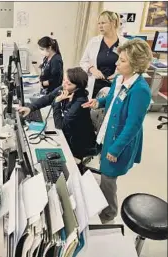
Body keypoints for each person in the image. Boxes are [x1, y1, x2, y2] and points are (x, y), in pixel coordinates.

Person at [82, 38, 153, 223]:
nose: (116, 63)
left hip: (120, 141)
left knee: (108, 179)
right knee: (105, 174)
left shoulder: (140, 90)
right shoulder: (120, 78)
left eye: (122, 61)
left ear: (136, 64)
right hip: (109, 133)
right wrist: (98, 102)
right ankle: (103, 207)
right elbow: (112, 99)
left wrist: (115, 149)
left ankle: (108, 216)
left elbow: (133, 125)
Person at [18, 67, 96, 159]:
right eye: (64, 80)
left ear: (78, 87)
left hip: (79, 141)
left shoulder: (80, 102)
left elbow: (59, 125)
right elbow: (49, 98)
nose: (64, 84)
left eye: (68, 83)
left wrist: (57, 102)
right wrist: (30, 108)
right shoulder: (65, 88)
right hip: (68, 132)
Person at [80, 10, 127, 99]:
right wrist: (92, 69)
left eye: (103, 23)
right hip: (95, 85)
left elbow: (129, 65)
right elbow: (83, 62)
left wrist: (118, 74)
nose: (100, 26)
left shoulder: (125, 43)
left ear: (113, 23)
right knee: (92, 109)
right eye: (99, 23)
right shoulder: (94, 41)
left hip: (115, 84)